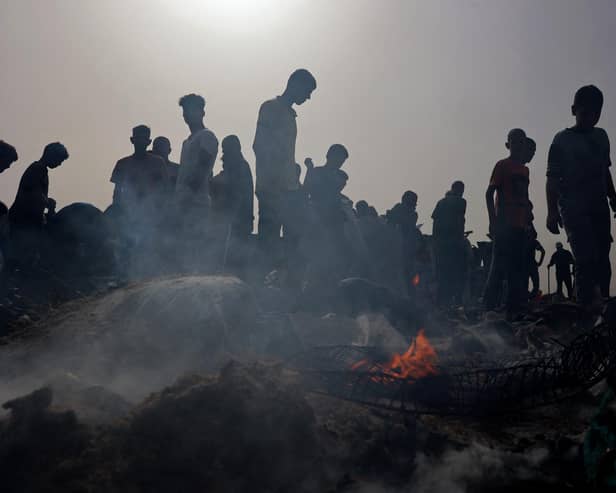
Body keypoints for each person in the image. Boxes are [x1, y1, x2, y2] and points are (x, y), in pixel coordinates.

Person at [546, 85, 616, 311]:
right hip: (573, 208)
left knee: (603, 260)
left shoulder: (602, 137)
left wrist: (613, 197)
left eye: (596, 114)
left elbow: (605, 171)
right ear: (574, 110)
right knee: (586, 259)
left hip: (599, 206)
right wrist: (551, 211)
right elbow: (553, 179)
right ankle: (585, 310)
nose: (591, 118)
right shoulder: (561, 140)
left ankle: (603, 307)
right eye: (586, 113)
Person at [252, 69, 316, 264]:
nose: (308, 97)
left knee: (294, 241)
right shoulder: (271, 108)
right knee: (268, 241)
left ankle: (284, 285)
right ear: (294, 84)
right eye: (307, 91)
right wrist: (272, 182)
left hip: (290, 189)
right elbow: (259, 145)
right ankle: (260, 284)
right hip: (272, 188)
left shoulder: (291, 116)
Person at [483, 129, 531, 318]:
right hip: (504, 224)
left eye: (521, 142)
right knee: (498, 266)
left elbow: (525, 198)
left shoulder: (525, 169)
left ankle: (513, 308)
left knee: (517, 268)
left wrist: (527, 222)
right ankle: (488, 306)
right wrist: (493, 221)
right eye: (515, 141)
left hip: (519, 225)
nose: (518, 145)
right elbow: (489, 193)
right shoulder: (502, 165)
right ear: (508, 144)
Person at [8, 142, 69, 267]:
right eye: (59, 160)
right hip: (23, 220)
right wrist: (48, 202)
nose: (59, 164)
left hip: (27, 220)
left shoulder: (40, 169)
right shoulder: (38, 169)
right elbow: (32, 192)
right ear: (51, 155)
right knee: (23, 257)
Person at [175, 94, 219, 235]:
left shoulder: (207, 137)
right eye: (186, 110)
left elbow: (201, 170)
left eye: (192, 110)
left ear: (202, 112)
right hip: (183, 205)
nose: (187, 114)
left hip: (196, 206)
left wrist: (185, 200)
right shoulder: (187, 142)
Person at [110, 125, 169, 218]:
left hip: (152, 213)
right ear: (132, 140)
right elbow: (117, 192)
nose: (140, 142)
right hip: (128, 212)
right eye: (138, 139)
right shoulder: (122, 164)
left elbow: (165, 189)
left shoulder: (158, 163)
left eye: (143, 139)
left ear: (148, 142)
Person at [210, 135, 254, 238]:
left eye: (226, 150)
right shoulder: (238, 166)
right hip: (235, 221)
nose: (224, 154)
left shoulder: (240, 167)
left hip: (237, 222)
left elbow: (233, 190)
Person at [432, 181, 467, 307]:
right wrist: (460, 240)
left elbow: (435, 221)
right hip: (453, 242)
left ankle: (441, 302)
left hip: (440, 242)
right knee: (455, 272)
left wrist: (435, 241)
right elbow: (460, 222)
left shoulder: (441, 202)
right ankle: (454, 301)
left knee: (442, 272)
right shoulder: (461, 202)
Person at [386, 191, 420, 295]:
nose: (415, 204)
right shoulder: (406, 213)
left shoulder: (408, 213)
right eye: (413, 201)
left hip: (404, 248)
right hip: (400, 248)